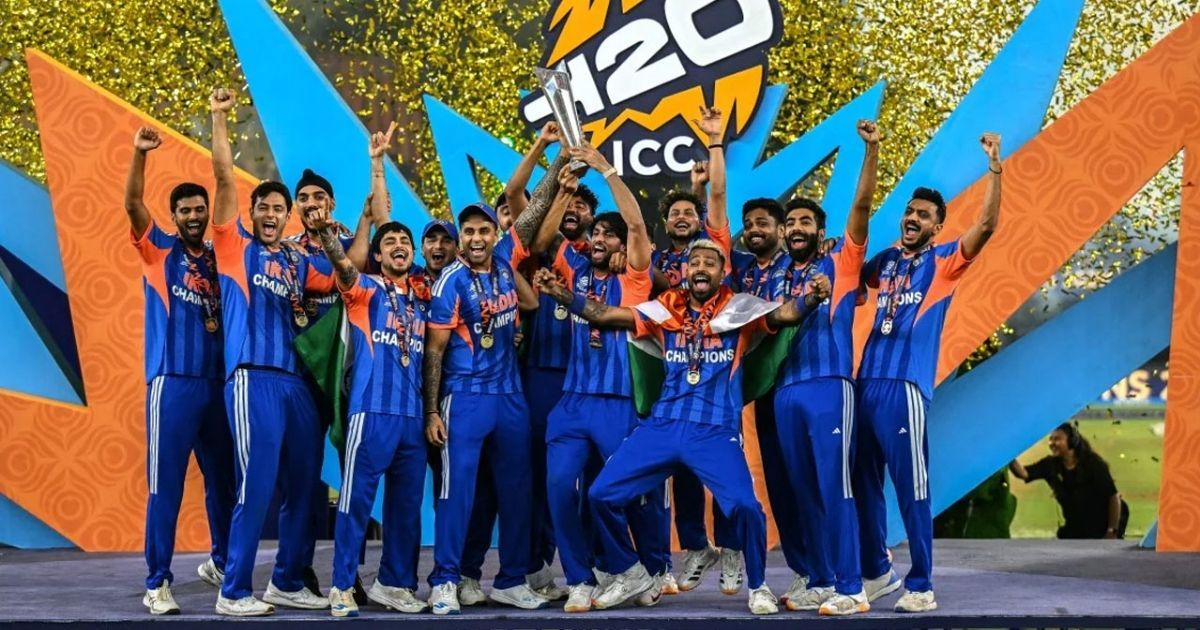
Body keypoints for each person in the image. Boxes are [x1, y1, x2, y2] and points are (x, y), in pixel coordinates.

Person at [536, 240, 831, 615]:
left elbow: (784, 314)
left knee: (746, 507)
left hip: (713, 430)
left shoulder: (739, 310)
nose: (701, 268)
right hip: (663, 425)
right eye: (695, 262)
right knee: (600, 494)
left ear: (722, 272)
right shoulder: (665, 310)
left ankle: (758, 587)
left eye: (710, 262)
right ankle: (631, 571)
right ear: (686, 271)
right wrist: (561, 294)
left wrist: (812, 298)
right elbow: (604, 314)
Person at [854, 132, 1004, 613]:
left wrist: (994, 168)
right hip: (864, 384)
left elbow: (987, 225)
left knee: (912, 486)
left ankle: (921, 585)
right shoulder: (885, 262)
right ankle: (877, 573)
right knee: (862, 485)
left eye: (923, 215)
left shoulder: (944, 262)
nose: (912, 218)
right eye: (909, 211)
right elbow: (854, 274)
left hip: (904, 388)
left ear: (937, 227)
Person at [421, 148, 570, 614]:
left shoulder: (507, 259)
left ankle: (510, 579)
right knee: (457, 492)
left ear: (494, 234)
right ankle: (445, 580)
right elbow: (434, 351)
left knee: (517, 490)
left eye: (484, 230)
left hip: (510, 396)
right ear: (460, 238)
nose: (477, 238)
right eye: (468, 231)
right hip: (464, 395)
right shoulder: (449, 281)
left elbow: (533, 205)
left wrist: (559, 161)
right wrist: (431, 410)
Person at [209, 87, 335, 616]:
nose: (271, 214)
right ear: (252, 211)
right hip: (252, 377)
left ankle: (285, 580)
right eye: (263, 207)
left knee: (305, 487)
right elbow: (222, 178)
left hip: (294, 384)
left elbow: (343, 277)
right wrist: (219, 118)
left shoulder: (296, 260)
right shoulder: (233, 246)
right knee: (257, 486)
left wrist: (361, 223)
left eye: (279, 209)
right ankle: (233, 590)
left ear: (288, 217)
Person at [531, 148, 670, 612]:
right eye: (597, 233)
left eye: (610, 235)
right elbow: (542, 240)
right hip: (572, 401)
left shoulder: (635, 278)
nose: (600, 239)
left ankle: (650, 569)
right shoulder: (574, 268)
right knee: (558, 488)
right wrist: (563, 189)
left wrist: (607, 169)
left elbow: (636, 226)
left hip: (618, 402)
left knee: (630, 492)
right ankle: (581, 579)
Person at [124, 126, 235, 615]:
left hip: (217, 385)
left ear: (208, 214)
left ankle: (223, 563)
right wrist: (139, 155)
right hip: (172, 382)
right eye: (185, 210)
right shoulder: (159, 249)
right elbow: (132, 204)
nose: (193, 216)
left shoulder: (220, 259)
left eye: (199, 209)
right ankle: (157, 582)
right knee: (165, 484)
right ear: (174, 216)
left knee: (224, 482)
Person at [771, 120, 879, 615]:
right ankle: (820, 579)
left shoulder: (842, 262)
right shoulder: (773, 274)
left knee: (836, 487)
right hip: (785, 393)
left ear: (820, 232)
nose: (797, 228)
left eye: (805, 223)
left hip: (830, 386)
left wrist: (870, 150)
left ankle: (852, 586)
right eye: (790, 223)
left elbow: (861, 207)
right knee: (803, 491)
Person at [309, 207, 430, 617]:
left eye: (405, 241)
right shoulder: (364, 290)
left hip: (412, 416)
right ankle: (342, 586)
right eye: (389, 241)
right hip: (371, 412)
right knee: (356, 503)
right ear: (378, 255)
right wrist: (327, 235)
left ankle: (393, 584)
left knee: (406, 509)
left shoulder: (423, 299)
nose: (399, 246)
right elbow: (343, 268)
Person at [650, 107, 735, 593]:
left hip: (719, 377)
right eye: (675, 214)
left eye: (690, 213)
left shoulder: (713, 249)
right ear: (665, 223)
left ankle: (732, 547)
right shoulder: (659, 260)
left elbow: (716, 197)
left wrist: (714, 141)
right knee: (680, 469)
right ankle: (696, 546)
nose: (682, 218)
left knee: (721, 466)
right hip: (675, 380)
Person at [726, 196, 806, 601]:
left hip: (799, 382)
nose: (754, 229)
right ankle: (804, 571)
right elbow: (714, 232)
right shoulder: (740, 268)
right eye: (749, 223)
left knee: (805, 479)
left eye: (763, 223)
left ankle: (836, 568)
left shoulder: (798, 263)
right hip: (763, 389)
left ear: (781, 229)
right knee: (778, 483)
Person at [1009, 422, 1128, 539]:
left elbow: (1113, 497)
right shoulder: (1050, 464)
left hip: (1102, 523)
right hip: (1076, 524)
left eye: (1057, 439)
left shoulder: (1092, 463)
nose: (1052, 443)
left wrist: (1112, 531)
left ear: (1072, 441)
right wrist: (1007, 454)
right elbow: (1023, 473)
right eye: (1051, 439)